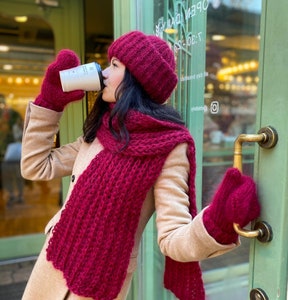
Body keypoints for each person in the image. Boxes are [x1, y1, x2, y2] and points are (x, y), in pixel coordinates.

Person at [21, 31, 260, 300]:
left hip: (99, 281)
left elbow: (172, 237)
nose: (104, 74)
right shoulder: (102, 130)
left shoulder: (169, 146)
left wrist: (217, 222)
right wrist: (50, 103)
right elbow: (36, 166)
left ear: (137, 78)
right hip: (54, 259)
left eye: (114, 65)